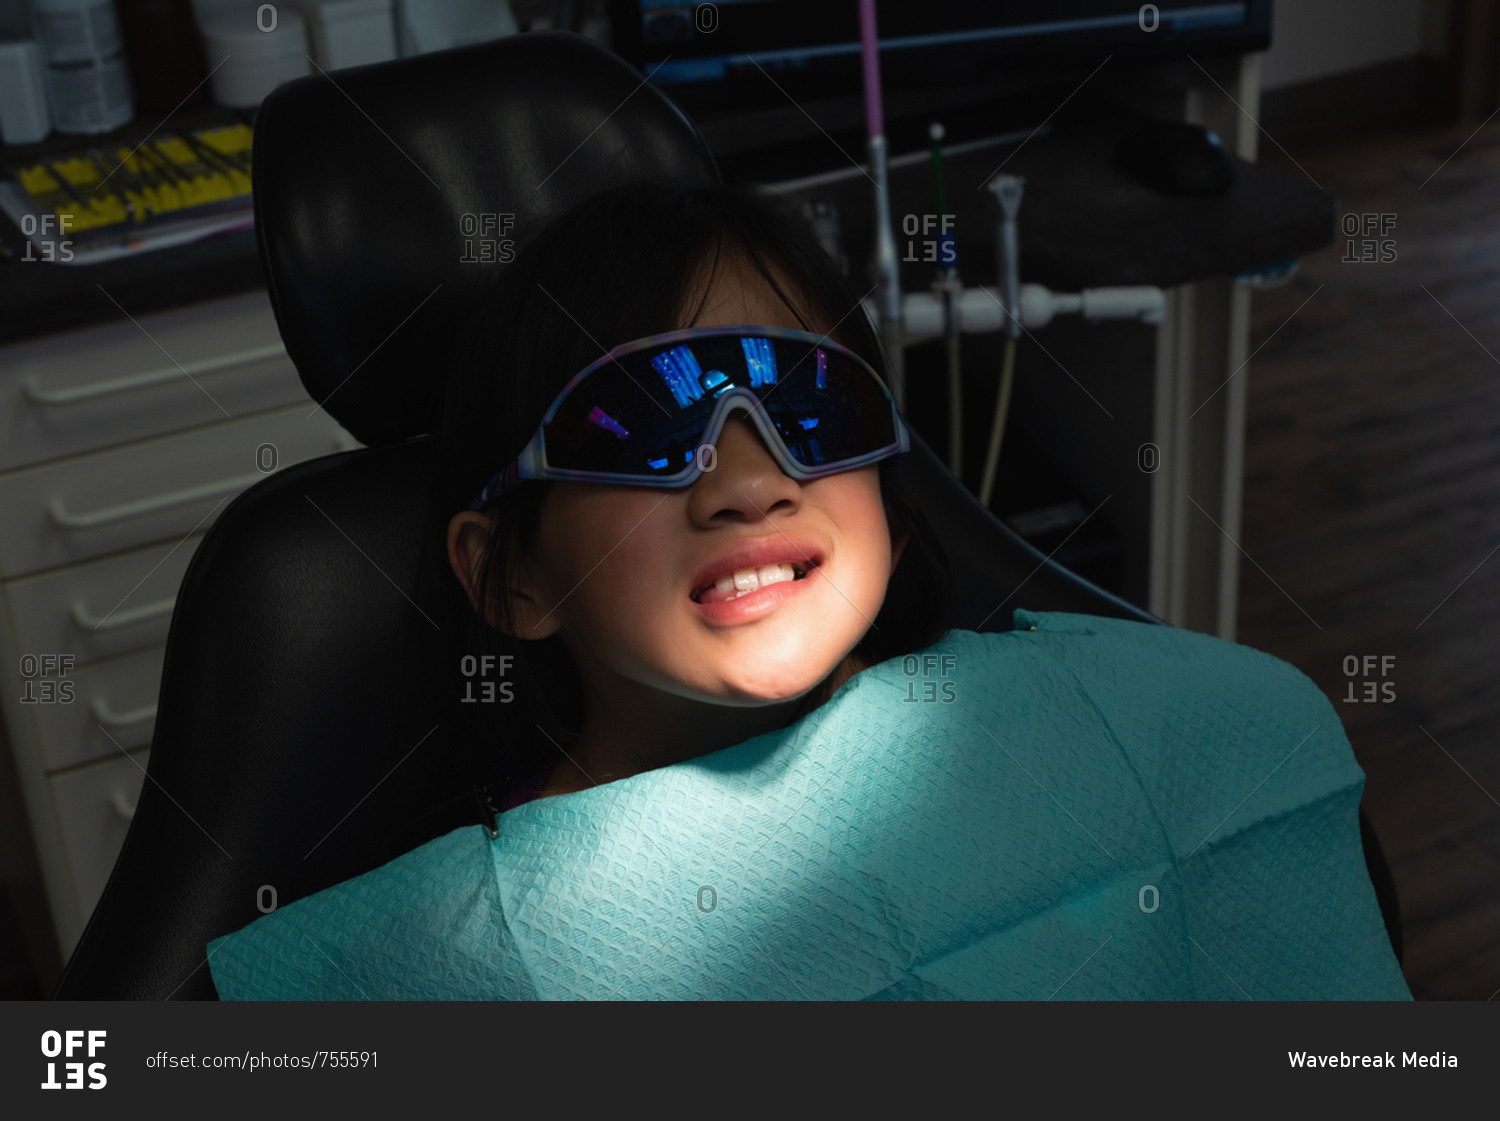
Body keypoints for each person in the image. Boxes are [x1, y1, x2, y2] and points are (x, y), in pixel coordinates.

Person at [205, 182, 1410, 1000]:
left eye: (809, 404)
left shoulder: (1155, 730)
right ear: (510, 575)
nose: (747, 482)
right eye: (640, 424)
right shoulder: (472, 956)